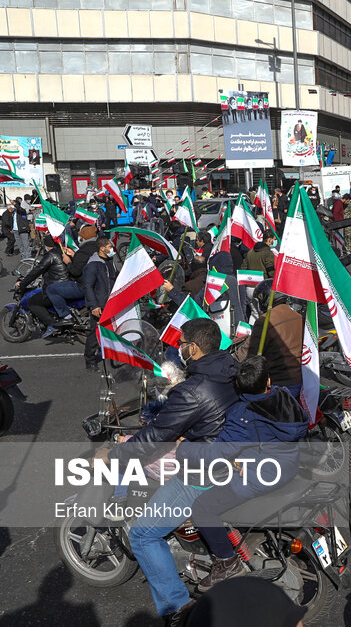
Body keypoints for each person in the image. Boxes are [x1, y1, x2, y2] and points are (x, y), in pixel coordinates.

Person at [116, 319, 239, 624]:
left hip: (203, 471)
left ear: (193, 348)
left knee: (143, 535)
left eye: (182, 343)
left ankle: (178, 610)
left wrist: (119, 453)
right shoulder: (231, 367)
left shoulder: (191, 390)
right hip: (234, 456)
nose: (179, 348)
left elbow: (156, 436)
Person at [178, 356, 309, 591]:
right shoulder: (284, 395)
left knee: (202, 508)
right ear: (268, 380)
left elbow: (216, 454)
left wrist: (184, 446)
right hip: (288, 466)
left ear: (237, 386)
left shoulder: (243, 415)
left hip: (260, 476)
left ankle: (227, 562)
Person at [247, 281, 304, 392]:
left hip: (279, 383)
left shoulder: (265, 320)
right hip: (300, 379)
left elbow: (252, 354)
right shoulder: (298, 316)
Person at [14, 235, 70, 338]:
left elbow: (36, 271)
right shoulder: (63, 252)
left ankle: (52, 325)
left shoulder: (50, 256)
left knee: (33, 302)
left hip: (56, 288)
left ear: (47, 245)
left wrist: (22, 284)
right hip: (67, 285)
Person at [82, 238, 117, 370]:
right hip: (100, 304)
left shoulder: (109, 261)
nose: (112, 249)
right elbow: (88, 286)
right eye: (110, 246)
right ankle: (90, 360)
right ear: (102, 248)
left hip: (110, 302)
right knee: (94, 333)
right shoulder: (93, 265)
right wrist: (94, 305)